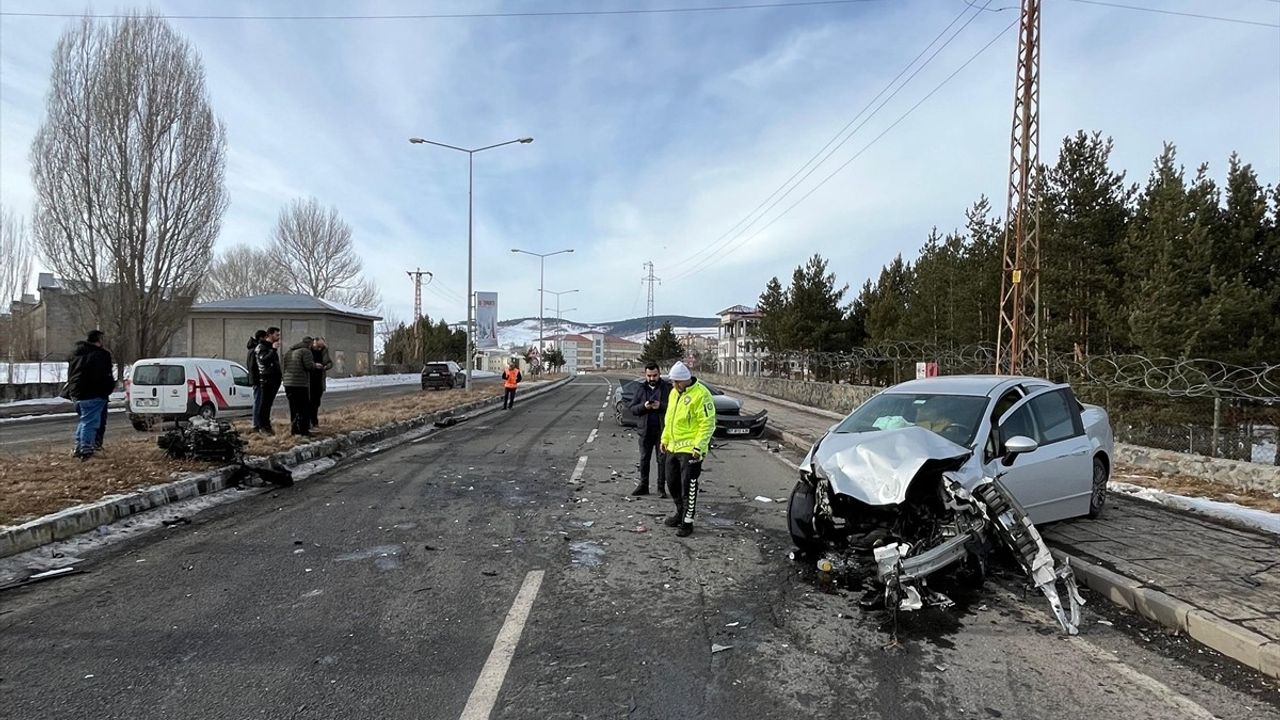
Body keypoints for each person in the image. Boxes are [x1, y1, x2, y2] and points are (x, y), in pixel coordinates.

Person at [660, 361, 716, 538]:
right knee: (672, 482)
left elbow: (707, 423)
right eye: (673, 382)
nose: (675, 385)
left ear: (686, 380)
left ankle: (687, 521)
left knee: (688, 486)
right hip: (673, 446)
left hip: (691, 449)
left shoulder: (701, 394)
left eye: (678, 382)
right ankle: (679, 511)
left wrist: (699, 447)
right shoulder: (673, 393)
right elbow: (670, 419)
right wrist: (665, 439)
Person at [66, 330, 115, 461]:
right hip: (93, 393)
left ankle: (79, 447)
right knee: (90, 422)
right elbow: (104, 376)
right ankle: (86, 450)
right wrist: (108, 388)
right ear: (99, 340)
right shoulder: (100, 355)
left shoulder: (75, 354)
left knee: (84, 421)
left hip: (76, 393)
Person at [629, 362, 673, 497]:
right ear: (645, 375)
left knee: (662, 460)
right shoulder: (641, 389)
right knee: (644, 459)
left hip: (662, 431)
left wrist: (660, 406)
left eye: (654, 375)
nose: (652, 379)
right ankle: (643, 486)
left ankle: (661, 488)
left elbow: (675, 408)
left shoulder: (667, 388)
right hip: (645, 431)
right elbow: (632, 409)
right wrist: (644, 407)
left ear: (659, 374)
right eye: (649, 376)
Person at [281, 335, 314, 436]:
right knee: (304, 408)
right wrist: (315, 365)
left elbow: (283, 367)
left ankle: (294, 430)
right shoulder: (306, 351)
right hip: (300, 384)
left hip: (288, 383)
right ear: (310, 343)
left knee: (293, 408)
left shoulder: (289, 352)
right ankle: (304, 431)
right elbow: (308, 366)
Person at [254, 327, 283, 435]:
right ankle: (262, 426)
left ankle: (267, 424)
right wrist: (273, 350)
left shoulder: (269, 347)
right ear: (269, 335)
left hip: (274, 379)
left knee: (268, 404)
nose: (278, 338)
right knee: (264, 404)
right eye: (276, 335)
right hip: (267, 379)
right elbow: (263, 360)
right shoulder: (261, 347)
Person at [308, 336, 333, 429]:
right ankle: (310, 421)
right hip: (309, 379)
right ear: (314, 343)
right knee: (309, 402)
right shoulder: (308, 351)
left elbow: (330, 362)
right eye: (318, 346)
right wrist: (314, 365)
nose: (319, 348)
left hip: (319, 379)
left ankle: (314, 421)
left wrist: (326, 366)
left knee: (316, 402)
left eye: (321, 346)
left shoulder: (324, 351)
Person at [247, 329, 266, 431]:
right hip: (257, 379)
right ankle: (256, 424)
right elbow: (256, 366)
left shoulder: (251, 349)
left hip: (254, 379)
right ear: (261, 338)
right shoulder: (256, 350)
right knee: (258, 401)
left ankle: (256, 423)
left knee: (257, 400)